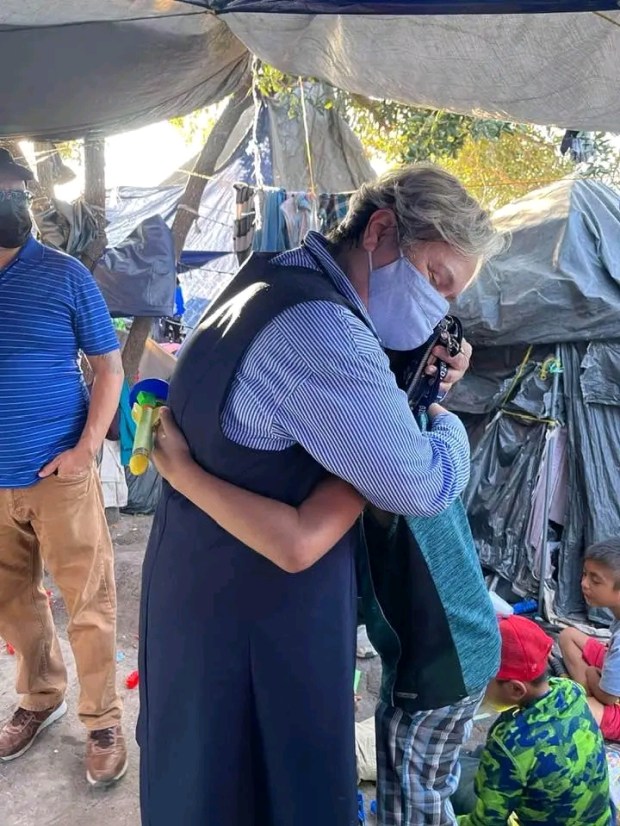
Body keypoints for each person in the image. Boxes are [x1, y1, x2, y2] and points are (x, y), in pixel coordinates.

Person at [137, 164, 504, 826]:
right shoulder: (324, 335)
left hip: (196, 574)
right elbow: (419, 483)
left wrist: (411, 383)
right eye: (435, 278)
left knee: (203, 773)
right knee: (277, 780)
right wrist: (443, 422)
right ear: (382, 230)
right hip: (264, 609)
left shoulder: (267, 276)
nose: (437, 308)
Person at [0, 149, 126, 785]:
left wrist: (85, 451)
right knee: (13, 603)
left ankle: (102, 717)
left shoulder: (63, 274)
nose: (13, 200)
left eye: (17, 189)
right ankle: (39, 698)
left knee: (88, 603)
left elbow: (109, 368)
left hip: (59, 477)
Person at [453, 615, 612, 826]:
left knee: (450, 778)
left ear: (516, 689)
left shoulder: (509, 742)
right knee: (479, 757)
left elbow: (485, 823)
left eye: (483, 680)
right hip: (602, 820)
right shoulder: (571, 691)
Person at [559, 538, 620, 742]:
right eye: (585, 574)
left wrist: (591, 674)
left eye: (595, 580)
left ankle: (587, 695)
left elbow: (609, 697)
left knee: (577, 709)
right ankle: (587, 691)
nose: (584, 584)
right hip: (611, 678)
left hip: (610, 695)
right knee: (568, 635)